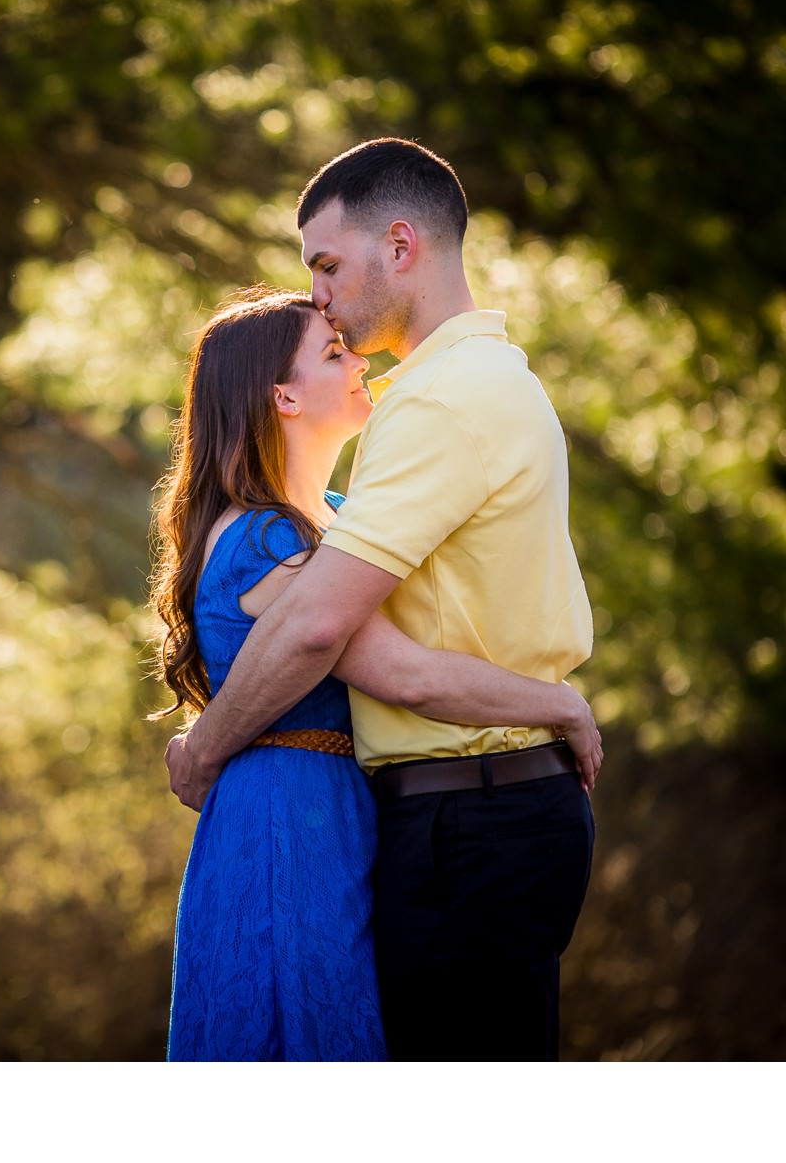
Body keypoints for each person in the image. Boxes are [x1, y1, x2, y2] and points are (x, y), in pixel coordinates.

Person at [164, 138, 599, 1061]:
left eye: (327, 265)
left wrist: (201, 748)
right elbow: (341, 630)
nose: (318, 292)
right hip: (426, 809)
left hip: (468, 813)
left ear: (401, 246)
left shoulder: (438, 403)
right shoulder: (467, 392)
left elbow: (329, 627)